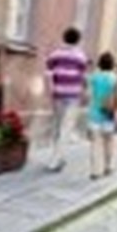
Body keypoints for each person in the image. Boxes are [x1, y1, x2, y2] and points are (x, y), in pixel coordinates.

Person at [45, 27, 88, 171]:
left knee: (57, 126)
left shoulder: (55, 55)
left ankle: (57, 157)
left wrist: (51, 88)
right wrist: (84, 93)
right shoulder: (81, 56)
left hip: (57, 94)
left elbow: (48, 73)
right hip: (73, 95)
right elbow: (83, 77)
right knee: (66, 128)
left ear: (64, 37)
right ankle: (56, 159)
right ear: (78, 40)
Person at [86, 51, 117, 179]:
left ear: (100, 63)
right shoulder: (115, 78)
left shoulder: (94, 77)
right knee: (109, 141)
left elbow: (88, 95)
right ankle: (108, 167)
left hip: (95, 114)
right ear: (112, 64)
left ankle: (95, 171)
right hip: (109, 115)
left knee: (95, 143)